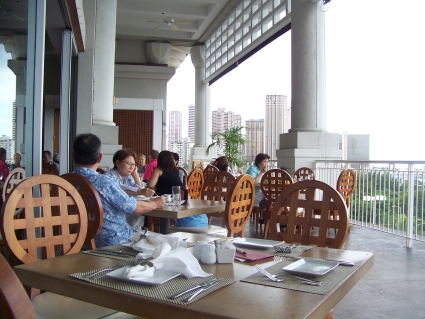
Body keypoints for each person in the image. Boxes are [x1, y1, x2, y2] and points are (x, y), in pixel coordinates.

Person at [72, 133, 165, 247]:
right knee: (164, 243)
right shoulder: (104, 182)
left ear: (73, 157)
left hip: (79, 242)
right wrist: (155, 203)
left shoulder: (65, 183)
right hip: (114, 241)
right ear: (100, 157)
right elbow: (133, 207)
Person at [148, 151, 207, 227]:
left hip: (164, 204)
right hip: (178, 203)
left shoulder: (158, 170)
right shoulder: (176, 171)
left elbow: (150, 185)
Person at [246, 153, 270, 224]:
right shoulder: (253, 169)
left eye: (267, 162)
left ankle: (265, 217)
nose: (266, 164)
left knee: (273, 197)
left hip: (258, 192)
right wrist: (262, 173)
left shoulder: (260, 170)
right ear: (259, 162)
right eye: (265, 162)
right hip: (251, 193)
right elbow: (252, 183)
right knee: (268, 199)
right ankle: (265, 218)